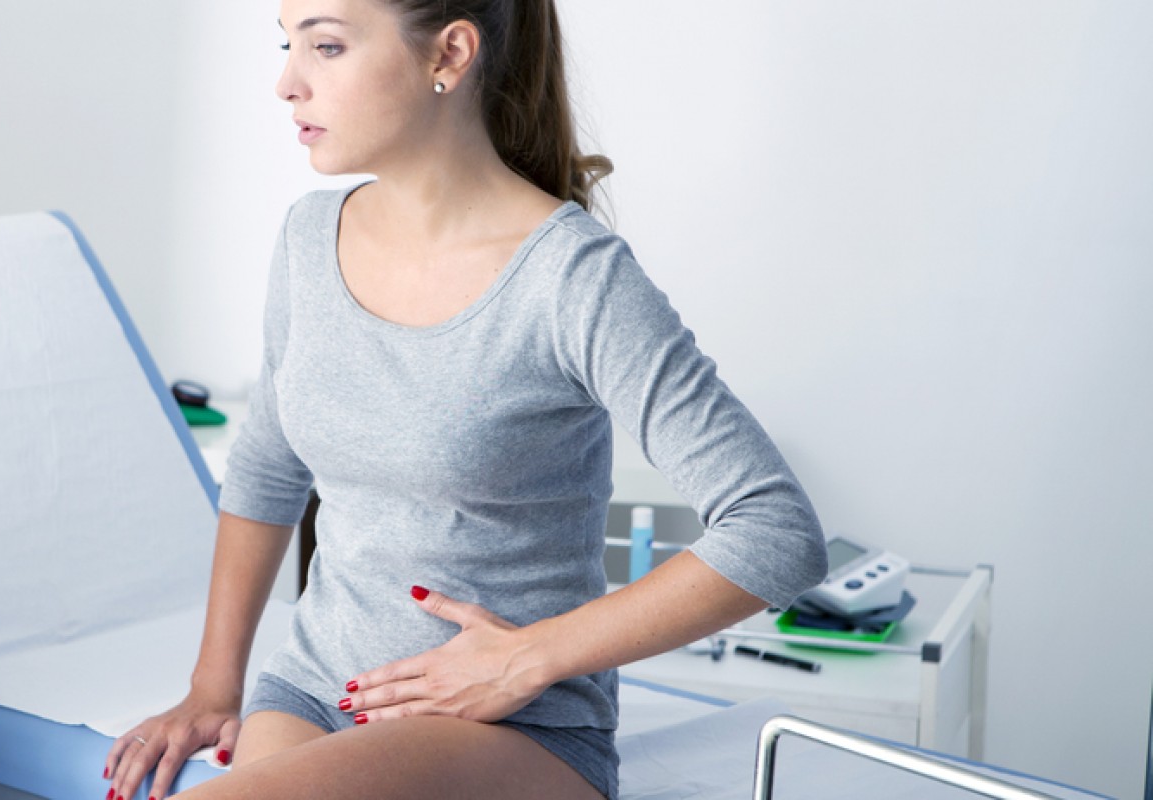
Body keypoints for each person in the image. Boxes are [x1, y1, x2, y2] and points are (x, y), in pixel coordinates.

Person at [103, 1, 826, 798]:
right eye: (289, 47)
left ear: (448, 54)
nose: (286, 83)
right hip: (314, 694)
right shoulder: (309, 238)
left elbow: (775, 531)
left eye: (328, 47)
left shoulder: (572, 280)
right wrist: (214, 689)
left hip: (509, 729)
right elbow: (269, 466)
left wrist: (528, 657)